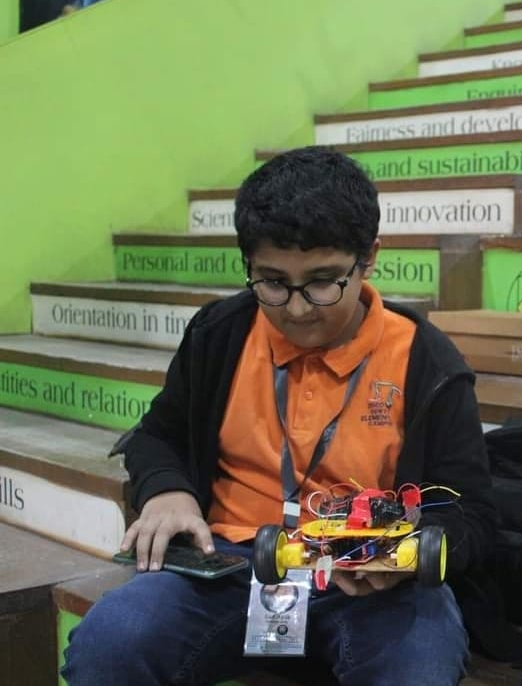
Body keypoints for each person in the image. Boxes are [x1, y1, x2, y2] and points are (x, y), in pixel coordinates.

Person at [61, 146, 496, 686]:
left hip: (363, 581)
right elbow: (157, 436)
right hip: (226, 563)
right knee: (110, 643)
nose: (297, 308)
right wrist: (166, 491)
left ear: (369, 258)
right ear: (248, 264)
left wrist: (402, 553)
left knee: (419, 663)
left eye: (323, 281)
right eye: (272, 281)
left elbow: (472, 512)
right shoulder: (221, 334)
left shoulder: (425, 360)